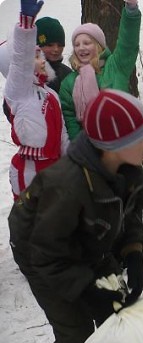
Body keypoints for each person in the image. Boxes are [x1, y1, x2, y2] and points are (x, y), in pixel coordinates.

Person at [8, 89, 143, 343]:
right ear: (114, 147)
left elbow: (131, 214)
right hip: (40, 252)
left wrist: (133, 252)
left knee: (117, 314)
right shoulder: (67, 185)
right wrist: (86, 288)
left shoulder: (132, 170)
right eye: (141, 137)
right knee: (76, 334)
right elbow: (47, 254)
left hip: (88, 240)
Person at [2, 0, 69, 201]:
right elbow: (21, 58)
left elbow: (62, 135)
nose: (41, 60)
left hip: (55, 166)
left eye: (40, 56)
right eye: (36, 55)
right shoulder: (20, 90)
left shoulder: (52, 95)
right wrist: (27, 23)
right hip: (29, 169)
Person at [59, 0, 141, 140]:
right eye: (77, 44)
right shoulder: (69, 82)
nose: (81, 48)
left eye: (87, 43)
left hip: (123, 144)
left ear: (98, 45)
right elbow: (70, 120)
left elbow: (127, 44)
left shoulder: (115, 66)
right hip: (91, 151)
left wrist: (131, 10)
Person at [35, 16, 71, 93]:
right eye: (50, 45)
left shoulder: (67, 74)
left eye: (60, 45)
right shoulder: (27, 74)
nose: (56, 49)